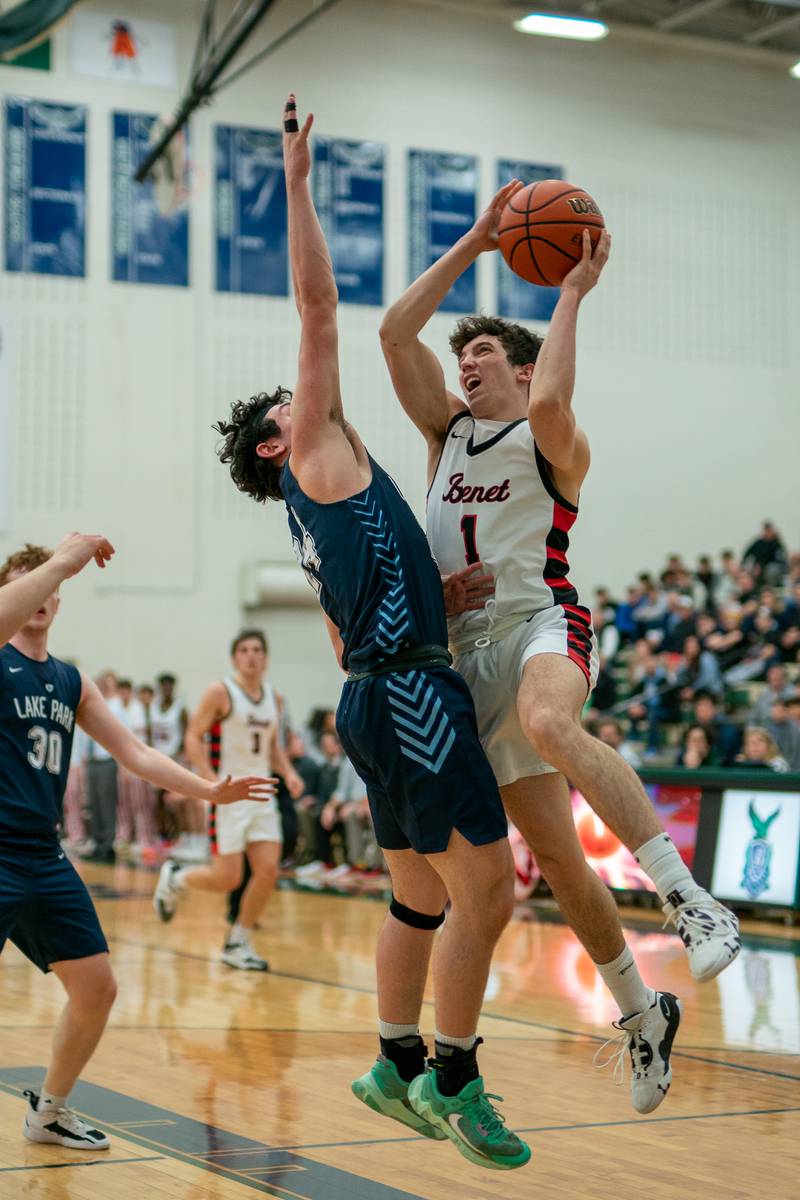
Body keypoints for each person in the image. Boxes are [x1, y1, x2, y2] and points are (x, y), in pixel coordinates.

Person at [211, 94, 529, 1171]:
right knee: (493, 889)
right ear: (271, 450)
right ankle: (454, 1075)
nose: (306, 401)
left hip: (375, 694)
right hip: (408, 700)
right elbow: (317, 308)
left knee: (418, 895)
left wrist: (435, 602)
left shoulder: (328, 497)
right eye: (285, 412)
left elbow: (355, 638)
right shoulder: (314, 457)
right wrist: (297, 181)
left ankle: (391, 1060)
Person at [380, 178, 741, 1111]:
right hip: (463, 655)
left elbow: (551, 404)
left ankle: (686, 896)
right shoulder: (445, 434)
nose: (466, 363)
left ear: (523, 365)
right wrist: (471, 241)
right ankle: (641, 1012)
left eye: (485, 351)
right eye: (462, 355)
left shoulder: (552, 438)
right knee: (561, 862)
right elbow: (390, 333)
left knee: (551, 721)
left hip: (543, 620)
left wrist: (570, 292)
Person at [0, 539, 275, 1152]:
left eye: (48, 584)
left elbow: (138, 753)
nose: (41, 592)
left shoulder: (69, 680)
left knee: (97, 989)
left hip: (43, 855)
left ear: (60, 600)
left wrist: (209, 790)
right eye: (28, 580)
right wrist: (61, 559)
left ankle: (49, 1111)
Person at [153, 630, 304, 971]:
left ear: (265, 658)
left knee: (267, 871)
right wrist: (210, 779)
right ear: (235, 657)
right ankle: (176, 878)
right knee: (228, 879)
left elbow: (272, 747)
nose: (251, 655)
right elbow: (193, 737)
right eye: (244, 650)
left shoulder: (274, 698)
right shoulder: (220, 692)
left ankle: (238, 940)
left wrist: (289, 772)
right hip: (229, 796)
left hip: (262, 795)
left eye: (257, 650)